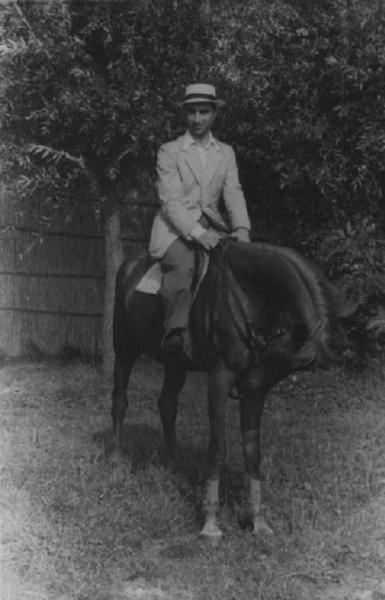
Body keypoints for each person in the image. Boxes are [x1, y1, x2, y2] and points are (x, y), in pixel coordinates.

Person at [149, 82, 251, 355]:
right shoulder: (169, 151)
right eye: (191, 112)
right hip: (176, 229)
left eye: (203, 112)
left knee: (245, 267)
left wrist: (241, 227)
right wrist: (197, 233)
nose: (197, 119)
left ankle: (242, 337)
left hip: (215, 225)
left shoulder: (225, 152)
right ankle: (175, 332)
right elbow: (171, 201)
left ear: (214, 114)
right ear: (185, 114)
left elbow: (233, 191)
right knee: (182, 267)